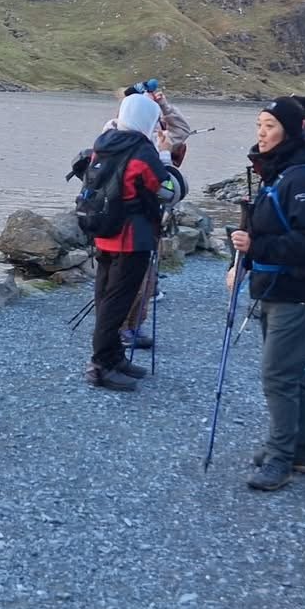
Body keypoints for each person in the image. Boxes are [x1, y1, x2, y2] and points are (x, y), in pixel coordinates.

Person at [229, 95, 305, 491]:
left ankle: (280, 459)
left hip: (299, 291)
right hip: (278, 288)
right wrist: (245, 259)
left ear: (290, 131)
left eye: (269, 126)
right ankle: (300, 452)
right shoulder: (283, 172)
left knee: (277, 375)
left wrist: (255, 247)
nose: (261, 133)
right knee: (292, 372)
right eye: (259, 125)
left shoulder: (303, 178)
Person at [82, 92, 172, 391]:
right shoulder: (142, 151)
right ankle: (101, 366)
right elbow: (164, 189)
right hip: (132, 237)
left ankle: (114, 357)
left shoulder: (103, 143)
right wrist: (165, 155)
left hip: (104, 232)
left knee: (105, 297)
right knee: (117, 302)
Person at [116, 78, 191, 354]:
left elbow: (182, 130)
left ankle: (134, 324)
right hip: (129, 219)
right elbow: (168, 189)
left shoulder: (156, 133)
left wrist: (164, 106)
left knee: (146, 278)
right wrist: (163, 157)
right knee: (131, 278)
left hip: (151, 217)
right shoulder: (118, 132)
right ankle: (120, 329)